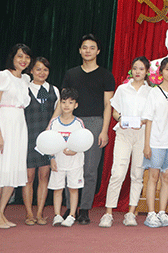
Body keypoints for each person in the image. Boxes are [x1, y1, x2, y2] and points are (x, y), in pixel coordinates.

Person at [59, 33, 116, 224]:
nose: (88, 51)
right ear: (79, 50)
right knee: (70, 167)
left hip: (95, 123)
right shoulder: (71, 74)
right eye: (84, 47)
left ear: (98, 51)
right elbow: (63, 102)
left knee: (90, 170)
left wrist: (104, 130)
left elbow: (108, 105)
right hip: (72, 123)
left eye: (92, 48)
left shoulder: (106, 75)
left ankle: (84, 209)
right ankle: (71, 208)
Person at [0, 43, 33, 229]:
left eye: (27, 57)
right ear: (12, 57)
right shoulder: (2, 76)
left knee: (14, 168)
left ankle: (0, 214)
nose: (23, 60)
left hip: (19, 125)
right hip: (3, 123)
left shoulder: (25, 79)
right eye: (20, 56)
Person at [99, 57, 153, 228]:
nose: (138, 72)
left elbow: (151, 116)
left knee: (137, 174)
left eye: (141, 69)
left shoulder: (151, 92)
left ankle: (131, 212)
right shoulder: (123, 89)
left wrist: (142, 121)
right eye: (135, 68)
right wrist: (121, 118)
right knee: (117, 172)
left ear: (147, 72)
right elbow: (115, 111)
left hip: (142, 135)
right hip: (123, 134)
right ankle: (108, 213)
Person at [141, 57, 168, 228]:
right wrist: (146, 145)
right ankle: (151, 214)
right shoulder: (154, 93)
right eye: (167, 69)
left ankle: (162, 212)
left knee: (167, 177)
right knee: (153, 177)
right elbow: (148, 120)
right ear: (161, 71)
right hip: (156, 142)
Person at [23, 57, 59, 226]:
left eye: (45, 69)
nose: (42, 73)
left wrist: (50, 129)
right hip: (28, 137)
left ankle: (39, 213)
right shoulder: (24, 89)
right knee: (28, 177)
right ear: (31, 71)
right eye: (38, 69)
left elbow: (58, 112)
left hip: (47, 139)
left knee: (44, 176)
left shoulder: (53, 90)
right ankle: (29, 213)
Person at [48, 88, 86, 228]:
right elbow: (49, 142)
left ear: (76, 105)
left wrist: (75, 150)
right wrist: (51, 158)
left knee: (73, 189)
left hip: (75, 163)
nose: (66, 105)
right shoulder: (54, 123)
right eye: (63, 102)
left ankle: (71, 215)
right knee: (57, 189)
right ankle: (57, 215)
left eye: (70, 102)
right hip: (58, 162)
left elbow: (83, 141)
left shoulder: (79, 123)